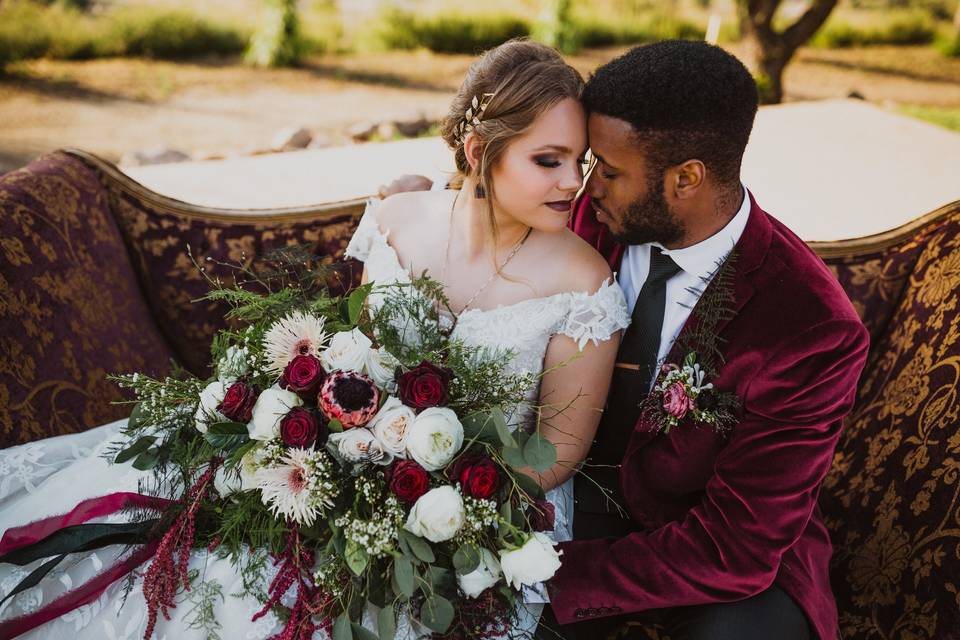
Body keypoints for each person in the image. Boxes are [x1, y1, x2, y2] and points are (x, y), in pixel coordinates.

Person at [0, 39, 629, 639]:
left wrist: (414, 493)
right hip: (336, 471)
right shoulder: (396, 219)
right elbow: (353, 354)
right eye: (549, 160)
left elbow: (558, 453)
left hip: (479, 515)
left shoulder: (583, 282)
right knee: (190, 563)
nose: (572, 182)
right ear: (476, 150)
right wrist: (336, 459)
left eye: (581, 162)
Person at [381, 41, 870, 640]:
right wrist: (429, 194)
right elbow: (495, 200)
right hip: (569, 498)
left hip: (714, 548)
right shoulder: (587, 215)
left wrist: (534, 577)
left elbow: (735, 546)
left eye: (606, 170)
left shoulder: (810, 326)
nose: (584, 185)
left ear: (686, 179)